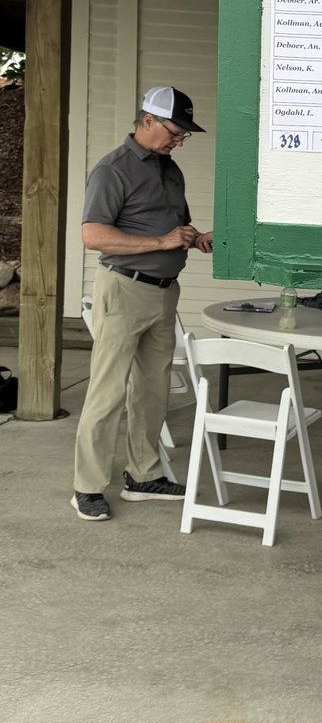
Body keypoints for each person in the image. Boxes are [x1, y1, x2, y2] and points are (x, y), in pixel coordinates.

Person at [71, 87, 213, 521]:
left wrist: (194, 236)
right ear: (147, 120)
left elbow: (173, 224)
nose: (178, 140)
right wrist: (161, 241)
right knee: (108, 391)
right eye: (174, 131)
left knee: (152, 390)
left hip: (164, 291)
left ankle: (142, 474)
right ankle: (86, 488)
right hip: (124, 290)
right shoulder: (112, 170)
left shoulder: (170, 170)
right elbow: (93, 236)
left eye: (184, 135)